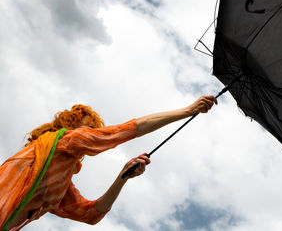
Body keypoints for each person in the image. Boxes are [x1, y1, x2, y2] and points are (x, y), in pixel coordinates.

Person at [0, 95, 217, 230]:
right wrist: (187, 111)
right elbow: (120, 132)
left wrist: (123, 177)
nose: (91, 133)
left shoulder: (59, 181)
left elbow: (91, 214)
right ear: (70, 125)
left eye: (92, 129)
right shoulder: (65, 140)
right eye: (88, 127)